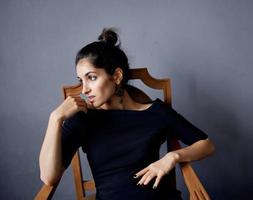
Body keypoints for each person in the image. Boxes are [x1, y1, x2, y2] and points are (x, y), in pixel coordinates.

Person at [39, 27, 215, 200]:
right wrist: (55, 119)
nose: (84, 89)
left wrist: (173, 157)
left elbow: (207, 145)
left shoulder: (156, 113)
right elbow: (49, 177)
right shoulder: (83, 119)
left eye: (91, 77)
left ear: (116, 76)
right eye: (80, 80)